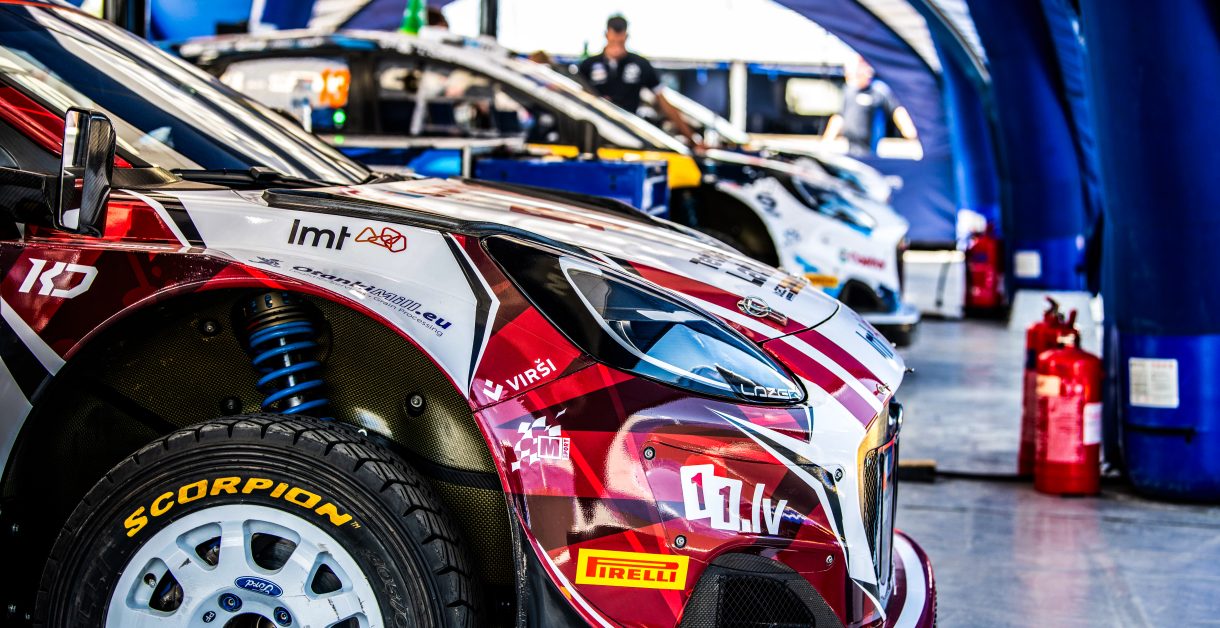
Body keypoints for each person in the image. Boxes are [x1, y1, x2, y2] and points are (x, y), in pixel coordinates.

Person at [577, 14, 697, 147]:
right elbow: (577, 100)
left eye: (620, 41)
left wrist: (691, 139)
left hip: (630, 135)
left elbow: (663, 101)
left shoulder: (640, 64)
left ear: (626, 36)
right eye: (613, 40)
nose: (616, 45)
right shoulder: (588, 65)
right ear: (606, 35)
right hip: (595, 136)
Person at [822, 54, 918, 157]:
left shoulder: (879, 90)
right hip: (851, 150)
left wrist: (911, 133)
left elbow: (898, 112)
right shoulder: (848, 91)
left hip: (871, 153)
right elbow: (839, 117)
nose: (850, 74)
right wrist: (826, 142)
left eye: (855, 71)